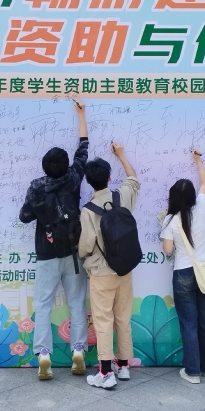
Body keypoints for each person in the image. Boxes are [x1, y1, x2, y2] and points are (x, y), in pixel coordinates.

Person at [19, 101, 89, 381]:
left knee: (43, 304)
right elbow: (83, 150)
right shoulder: (73, 179)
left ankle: (44, 355)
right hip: (74, 252)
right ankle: (78, 350)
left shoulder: (36, 187)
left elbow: (24, 216)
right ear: (65, 165)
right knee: (77, 302)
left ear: (45, 166)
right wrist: (81, 115)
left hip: (46, 254)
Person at [78, 143, 140, 389]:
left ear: (88, 182)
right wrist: (121, 155)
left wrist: (82, 253)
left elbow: (86, 245)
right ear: (109, 178)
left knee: (103, 320)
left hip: (101, 272)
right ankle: (123, 366)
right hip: (124, 268)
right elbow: (133, 180)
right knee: (123, 317)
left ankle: (105, 372)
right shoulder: (121, 197)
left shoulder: (88, 210)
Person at [161, 149, 205, 383]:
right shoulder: (201, 207)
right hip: (203, 272)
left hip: (183, 273)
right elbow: (204, 183)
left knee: (189, 323)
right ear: (192, 197)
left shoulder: (170, 220)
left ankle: (192, 371)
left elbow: (167, 250)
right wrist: (198, 161)